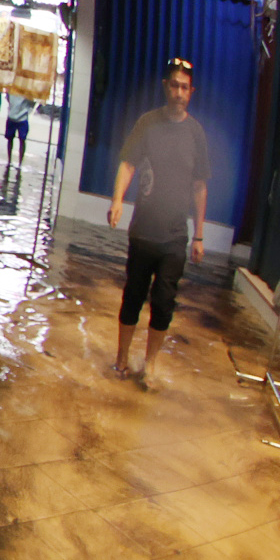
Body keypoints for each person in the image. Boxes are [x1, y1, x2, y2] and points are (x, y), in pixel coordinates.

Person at [106, 58, 211, 384]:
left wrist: (200, 235)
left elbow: (200, 186)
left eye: (185, 87)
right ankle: (122, 358)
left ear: (191, 92)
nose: (179, 92)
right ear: (166, 86)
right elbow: (128, 164)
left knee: (165, 301)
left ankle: (149, 364)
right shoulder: (147, 123)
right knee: (133, 296)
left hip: (176, 235)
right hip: (143, 232)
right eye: (174, 85)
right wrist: (118, 200)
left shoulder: (196, 134)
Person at [2, 94, 37, 166]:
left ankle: (10, 161)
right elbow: (32, 103)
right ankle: (18, 163)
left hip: (14, 116)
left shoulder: (13, 89)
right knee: (21, 140)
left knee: (12, 139)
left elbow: (8, 98)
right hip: (21, 117)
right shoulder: (27, 90)